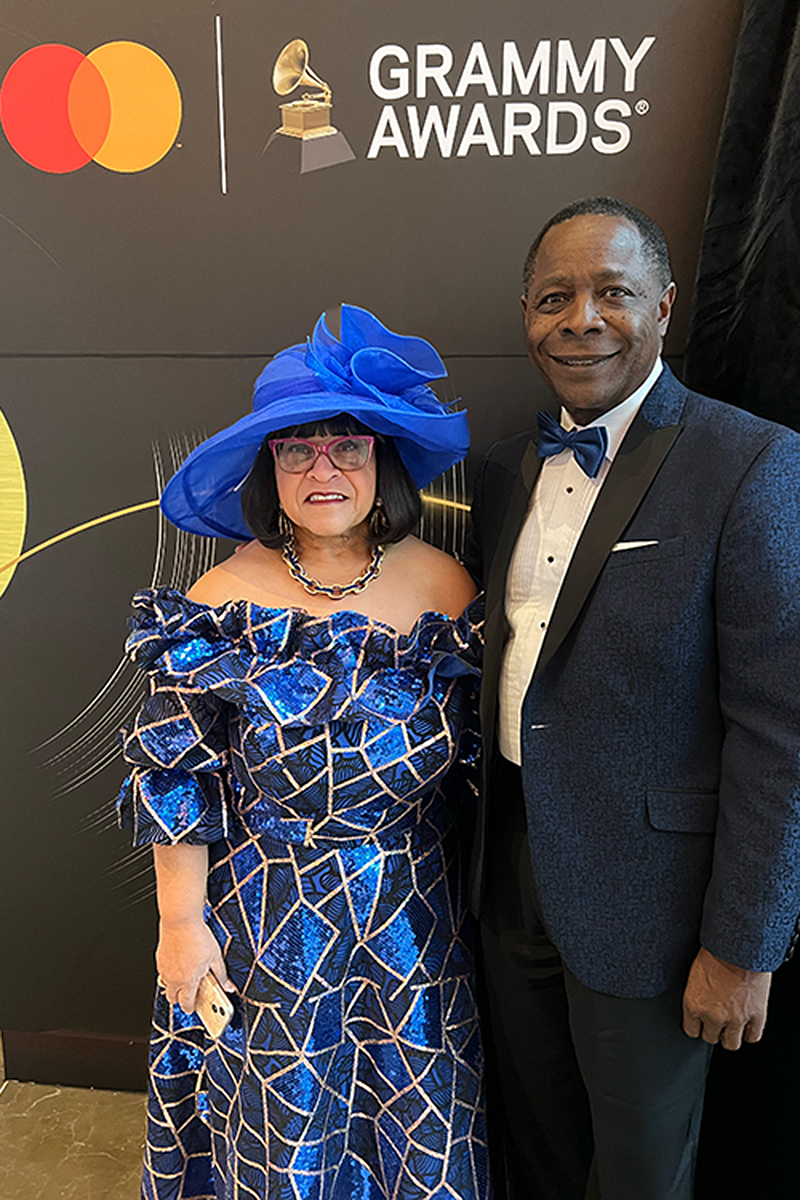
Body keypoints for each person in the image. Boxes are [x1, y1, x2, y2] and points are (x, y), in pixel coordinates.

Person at [465, 197, 800, 1200]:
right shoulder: (506, 468)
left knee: (643, 1172)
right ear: (524, 315)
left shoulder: (747, 461)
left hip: (656, 903)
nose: (581, 319)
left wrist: (743, 946)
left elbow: (778, 730)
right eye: (553, 297)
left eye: (611, 292)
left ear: (662, 306)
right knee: (538, 1146)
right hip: (508, 876)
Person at [117, 305, 490, 1200]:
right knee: (282, 1146)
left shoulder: (447, 586)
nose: (324, 469)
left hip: (414, 921)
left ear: (380, 461)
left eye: (347, 446)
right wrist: (180, 928)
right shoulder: (220, 598)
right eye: (297, 449)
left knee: (416, 1137)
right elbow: (178, 778)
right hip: (264, 926)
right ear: (268, 467)